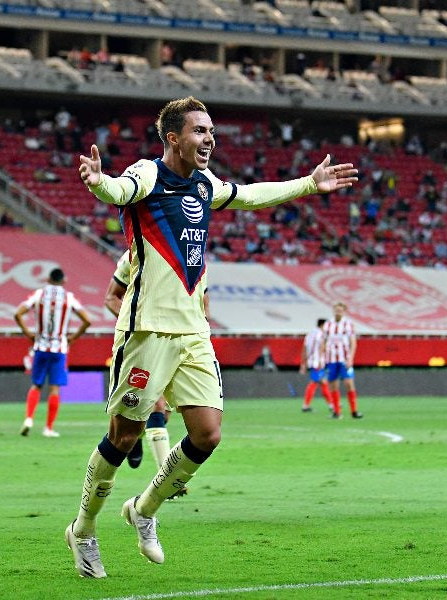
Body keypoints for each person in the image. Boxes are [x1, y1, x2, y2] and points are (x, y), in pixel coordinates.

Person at [65, 96, 358, 578]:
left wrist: (309, 184)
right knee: (125, 435)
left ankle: (144, 509)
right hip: (147, 331)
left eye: (211, 131)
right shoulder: (148, 174)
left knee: (207, 433)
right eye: (200, 131)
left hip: (194, 333)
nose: (209, 139)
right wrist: (99, 183)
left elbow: (249, 195)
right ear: (173, 138)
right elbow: (119, 190)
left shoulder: (203, 184)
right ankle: (83, 528)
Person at [104, 250, 209, 491]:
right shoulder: (135, 253)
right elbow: (112, 297)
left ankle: (138, 436)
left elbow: (203, 302)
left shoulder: (194, 252)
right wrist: (138, 323)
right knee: (157, 405)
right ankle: (167, 478)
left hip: (184, 342)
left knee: (162, 414)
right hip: (146, 341)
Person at [14, 268, 91, 438]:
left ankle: (28, 419)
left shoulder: (38, 295)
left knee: (36, 385)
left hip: (40, 347)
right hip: (59, 349)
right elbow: (87, 320)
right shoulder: (68, 297)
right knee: (54, 389)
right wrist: (73, 338)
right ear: (64, 281)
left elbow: (18, 314)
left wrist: (28, 334)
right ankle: (48, 428)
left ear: (48, 279)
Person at [324, 301, 362, 419]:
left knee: (349, 383)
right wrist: (323, 356)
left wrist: (351, 357)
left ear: (344, 311)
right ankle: (337, 412)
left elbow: (353, 342)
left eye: (340, 310)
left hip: (344, 359)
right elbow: (324, 342)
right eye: (336, 310)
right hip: (331, 359)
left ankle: (354, 411)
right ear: (333, 310)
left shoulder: (348, 324)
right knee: (333, 384)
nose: (338, 312)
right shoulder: (328, 324)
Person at [300, 318, 335, 414]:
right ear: (322, 325)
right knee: (315, 382)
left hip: (312, 361)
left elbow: (305, 348)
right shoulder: (321, 334)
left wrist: (304, 362)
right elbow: (321, 347)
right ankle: (306, 405)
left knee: (323, 382)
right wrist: (320, 360)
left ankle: (331, 404)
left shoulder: (310, 334)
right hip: (317, 362)